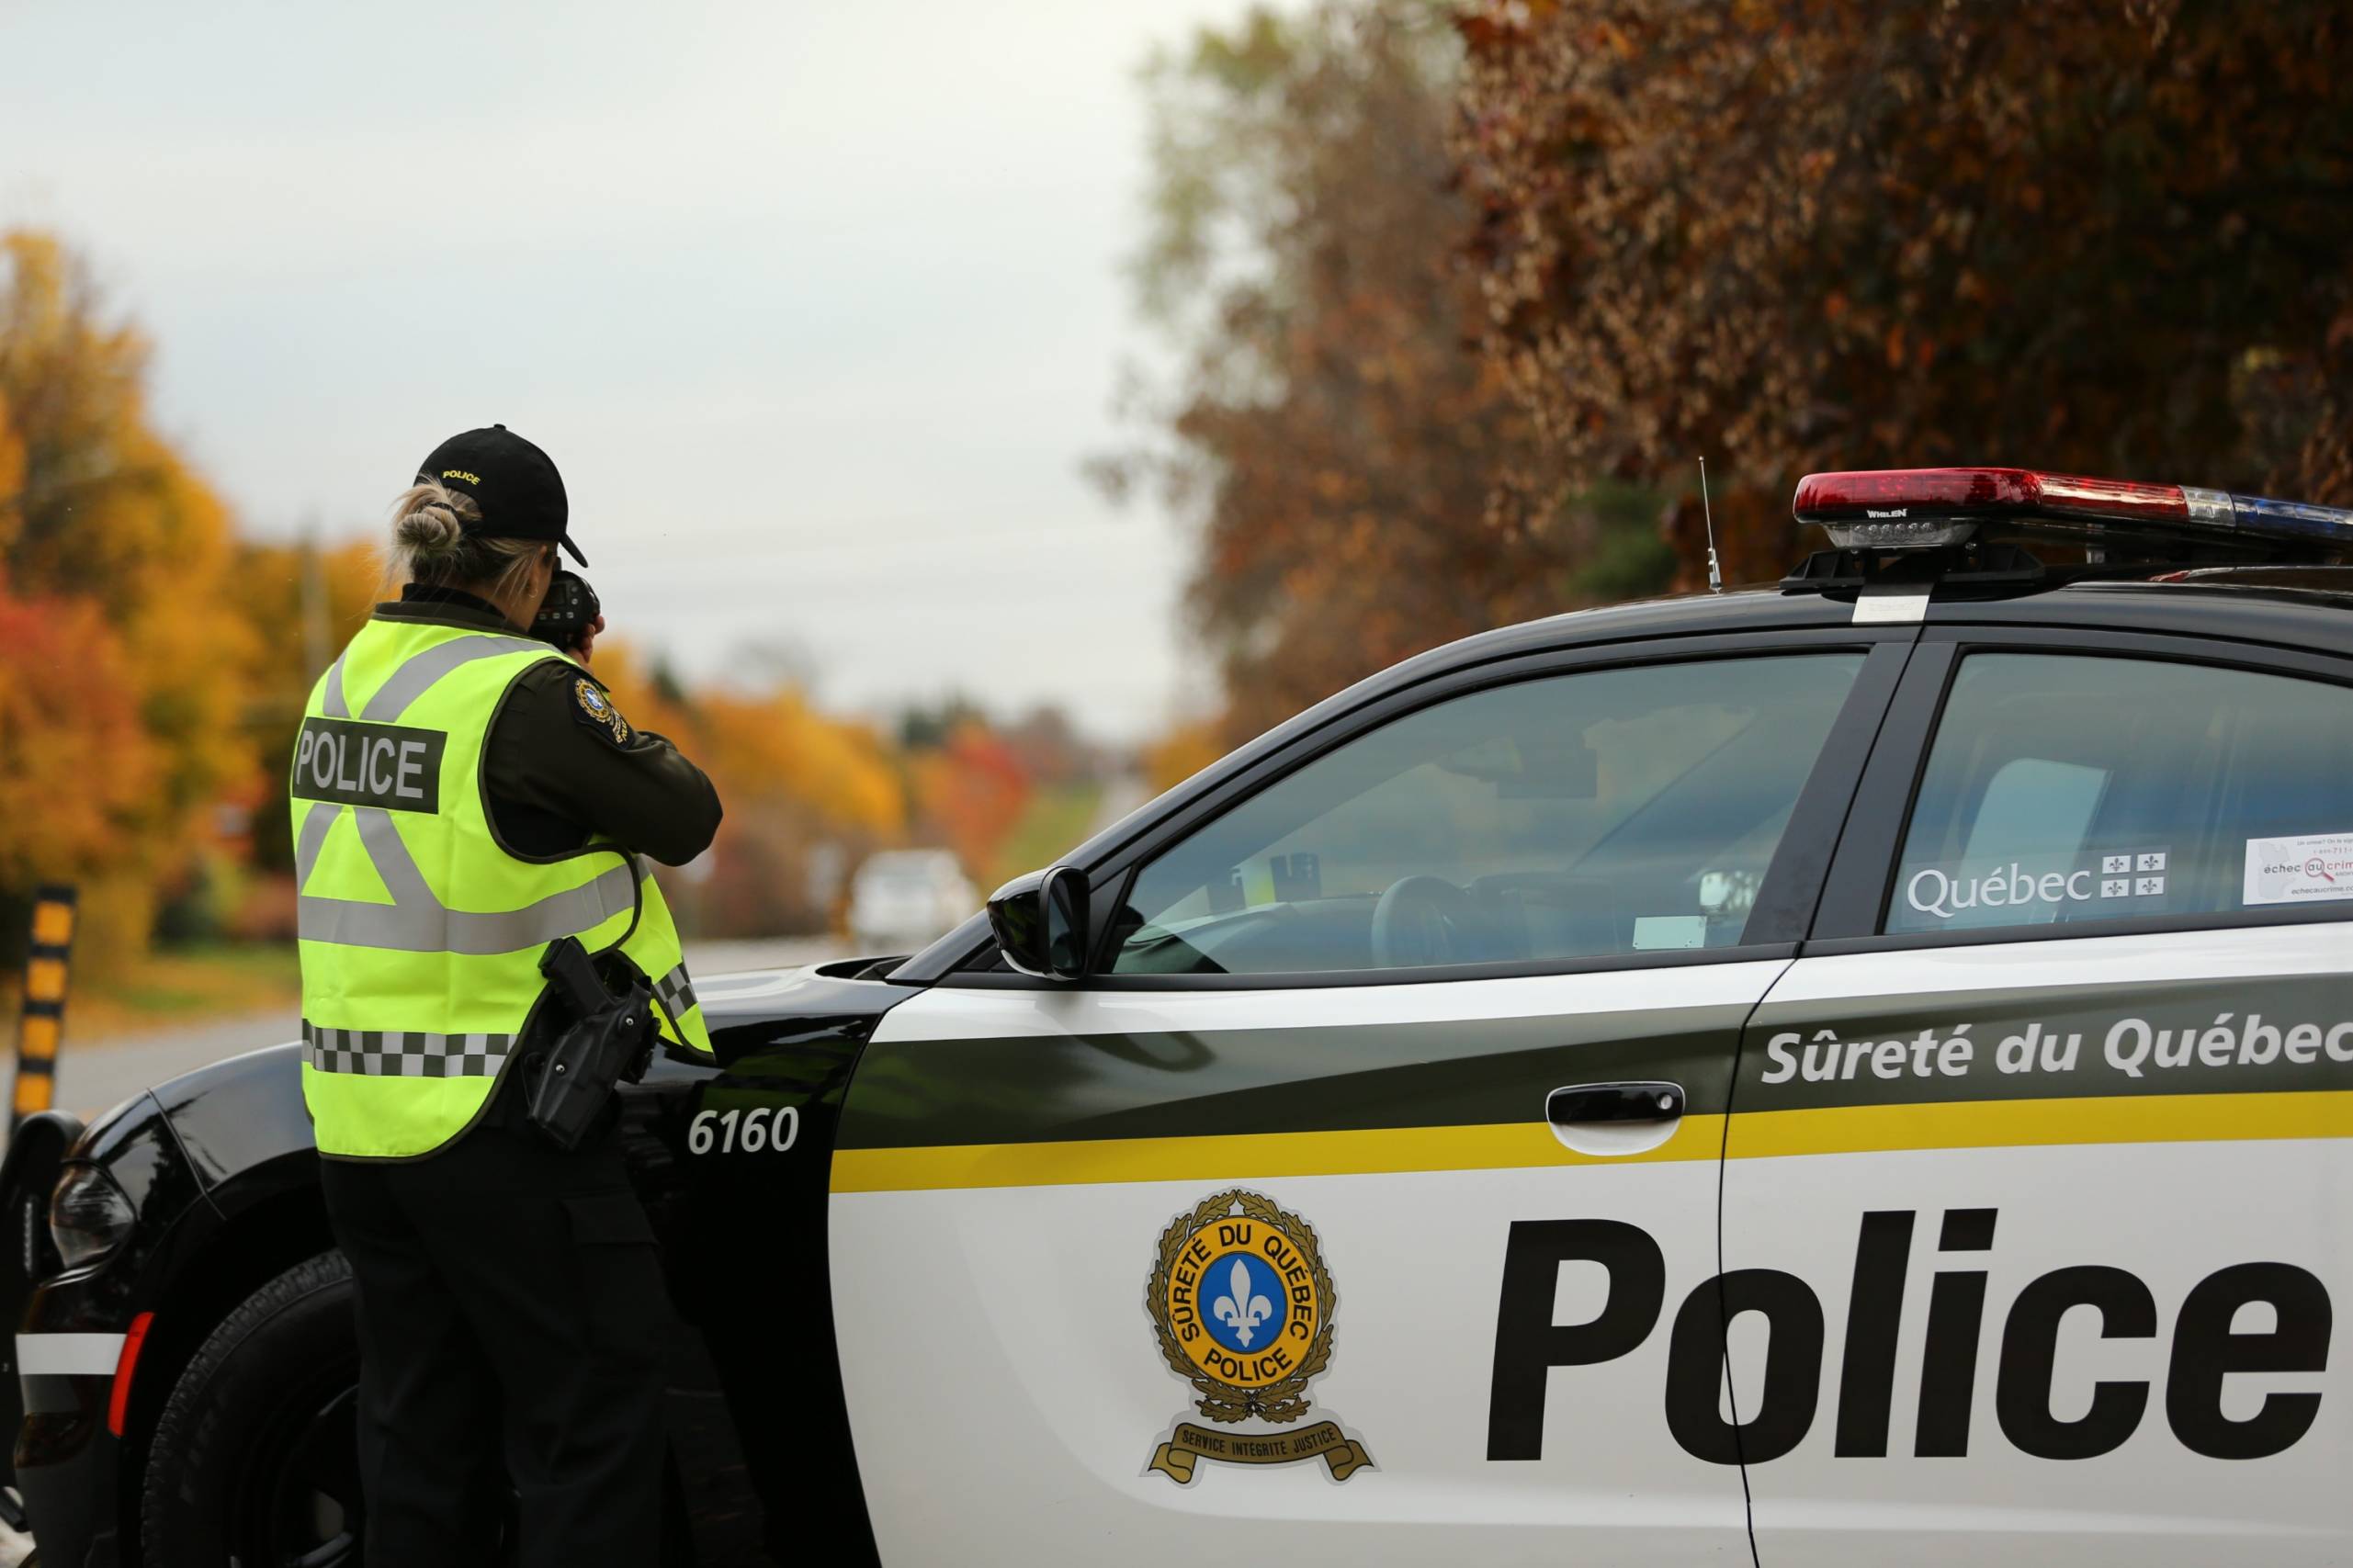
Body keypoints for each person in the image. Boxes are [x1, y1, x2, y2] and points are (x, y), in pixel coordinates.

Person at [295, 424, 721, 1566]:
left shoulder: (341, 679)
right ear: (532, 569)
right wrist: (574, 673)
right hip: (500, 1123)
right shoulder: (525, 695)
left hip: (359, 1128)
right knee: (588, 1425)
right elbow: (685, 815)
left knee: (418, 1441)